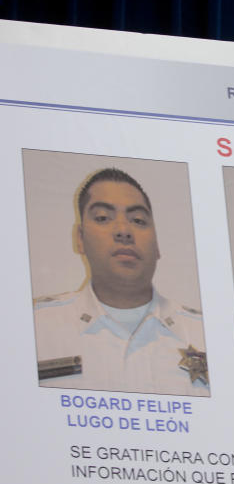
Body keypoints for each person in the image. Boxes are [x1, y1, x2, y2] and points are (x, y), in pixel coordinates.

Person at [33, 168, 209, 396]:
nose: (124, 231)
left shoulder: (206, 333)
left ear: (157, 245)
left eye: (137, 220)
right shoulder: (33, 328)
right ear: (80, 239)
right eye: (103, 218)